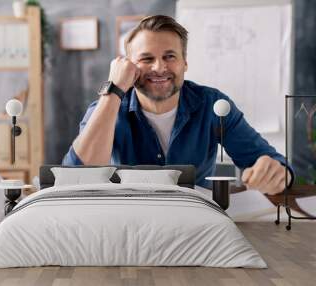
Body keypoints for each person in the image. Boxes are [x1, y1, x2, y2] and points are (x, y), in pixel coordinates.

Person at [62, 15, 293, 194]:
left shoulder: (213, 105)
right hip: (125, 225)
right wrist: (114, 89)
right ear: (128, 66)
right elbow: (77, 179)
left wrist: (278, 174)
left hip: (197, 226)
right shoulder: (106, 107)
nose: (159, 68)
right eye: (146, 58)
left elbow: (273, 163)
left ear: (185, 63)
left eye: (170, 56)